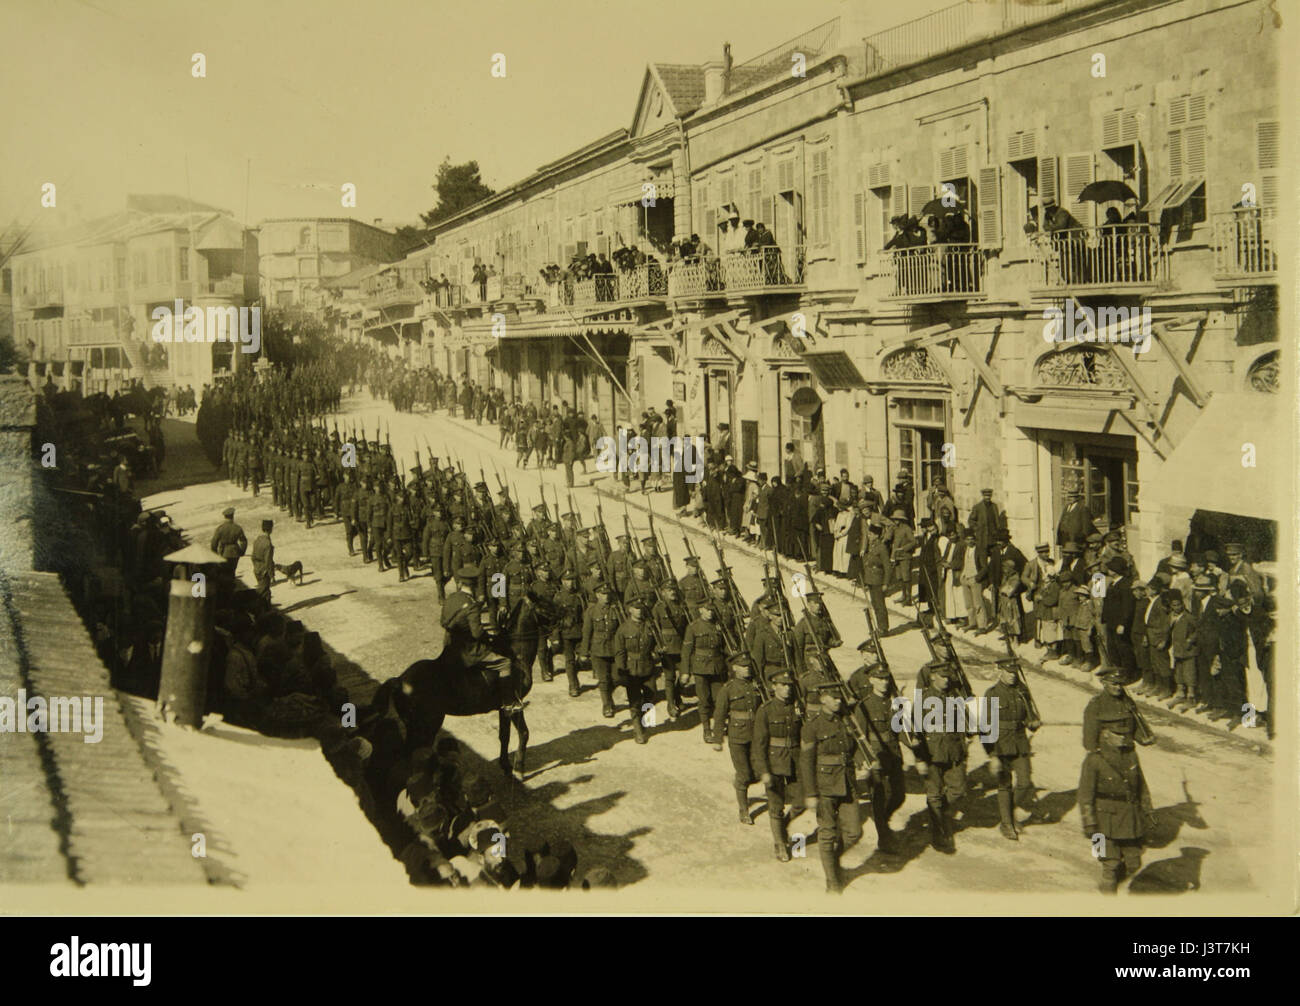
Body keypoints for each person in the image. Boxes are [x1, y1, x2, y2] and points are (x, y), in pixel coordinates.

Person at [1078, 705, 1155, 894]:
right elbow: (1085, 794)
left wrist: (1148, 810)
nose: (1123, 737)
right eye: (1118, 734)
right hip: (1105, 817)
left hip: (1129, 815)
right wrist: (1089, 822)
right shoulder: (1094, 760)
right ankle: (1107, 888)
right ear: (1105, 734)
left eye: (1125, 734)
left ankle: (1116, 876)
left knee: (1134, 861)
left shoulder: (1131, 755)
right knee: (1108, 862)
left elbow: (1141, 785)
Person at [799, 678, 862, 893]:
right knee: (827, 833)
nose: (838, 701)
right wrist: (810, 793)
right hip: (824, 785)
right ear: (823, 699)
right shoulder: (812, 726)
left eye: (839, 698)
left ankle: (832, 861)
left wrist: (862, 761)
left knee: (854, 832)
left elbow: (854, 747)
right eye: (834, 698)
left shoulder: (846, 720)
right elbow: (806, 762)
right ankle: (832, 880)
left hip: (847, 781)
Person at [983, 658, 1040, 841]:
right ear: (1000, 672)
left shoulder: (1022, 691)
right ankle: (1007, 823)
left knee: (1024, 782)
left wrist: (1033, 723)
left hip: (1020, 741)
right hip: (1001, 743)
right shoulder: (992, 694)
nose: (1012, 676)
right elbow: (985, 726)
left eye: (1014, 673)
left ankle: (1008, 812)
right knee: (1005, 785)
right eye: (1008, 672)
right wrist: (992, 754)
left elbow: (1030, 716)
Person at [915, 662, 968, 853]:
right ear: (932, 677)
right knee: (934, 793)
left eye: (948, 677)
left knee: (958, 789)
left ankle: (938, 814)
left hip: (953, 749)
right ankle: (937, 832)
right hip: (932, 752)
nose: (946, 680)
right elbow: (915, 733)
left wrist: (963, 748)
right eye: (942, 676)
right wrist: (919, 758)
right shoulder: (923, 699)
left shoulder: (954, 696)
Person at [752, 670, 801, 861]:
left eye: (789, 685)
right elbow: (759, 744)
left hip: (795, 760)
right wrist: (764, 771)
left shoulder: (797, 707)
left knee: (802, 800)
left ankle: (783, 825)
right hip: (774, 762)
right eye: (783, 685)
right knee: (776, 806)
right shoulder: (765, 710)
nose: (787, 689)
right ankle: (780, 844)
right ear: (774, 687)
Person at [712, 654, 761, 825]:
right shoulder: (728, 689)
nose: (747, 669)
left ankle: (740, 782)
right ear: (734, 668)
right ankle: (744, 810)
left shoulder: (757, 686)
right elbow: (719, 715)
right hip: (737, 736)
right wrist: (717, 739)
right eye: (743, 666)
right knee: (744, 774)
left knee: (758, 772)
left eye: (748, 666)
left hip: (756, 734)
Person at [681, 604, 727, 744]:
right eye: (707, 610)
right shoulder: (693, 627)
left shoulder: (718, 626)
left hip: (717, 667)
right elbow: (686, 651)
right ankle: (706, 729)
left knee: (719, 699)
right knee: (704, 700)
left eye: (712, 610)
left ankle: (718, 727)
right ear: (701, 610)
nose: (710, 613)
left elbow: (724, 648)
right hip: (700, 668)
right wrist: (685, 671)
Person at [579, 583, 621, 718]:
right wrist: (584, 652)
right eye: (603, 594)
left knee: (617, 677)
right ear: (597, 595)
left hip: (614, 648)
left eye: (608, 594)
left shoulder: (616, 609)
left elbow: (621, 630)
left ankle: (608, 694)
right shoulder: (591, 611)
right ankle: (607, 704)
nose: (606, 596)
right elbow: (587, 633)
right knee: (603, 679)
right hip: (598, 650)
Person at [210, 506, 248, 577]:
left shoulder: (220, 528)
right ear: (233, 516)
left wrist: (215, 554)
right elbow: (244, 541)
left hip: (224, 552)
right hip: (235, 552)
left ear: (225, 517)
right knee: (232, 570)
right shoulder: (237, 528)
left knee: (224, 572)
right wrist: (242, 552)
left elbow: (214, 543)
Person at [251, 519, 275, 602]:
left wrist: (256, 567)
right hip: (264, 570)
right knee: (264, 592)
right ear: (271, 529)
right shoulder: (268, 543)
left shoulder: (257, 540)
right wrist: (271, 574)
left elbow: (253, 557)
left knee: (263, 590)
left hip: (257, 568)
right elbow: (268, 561)